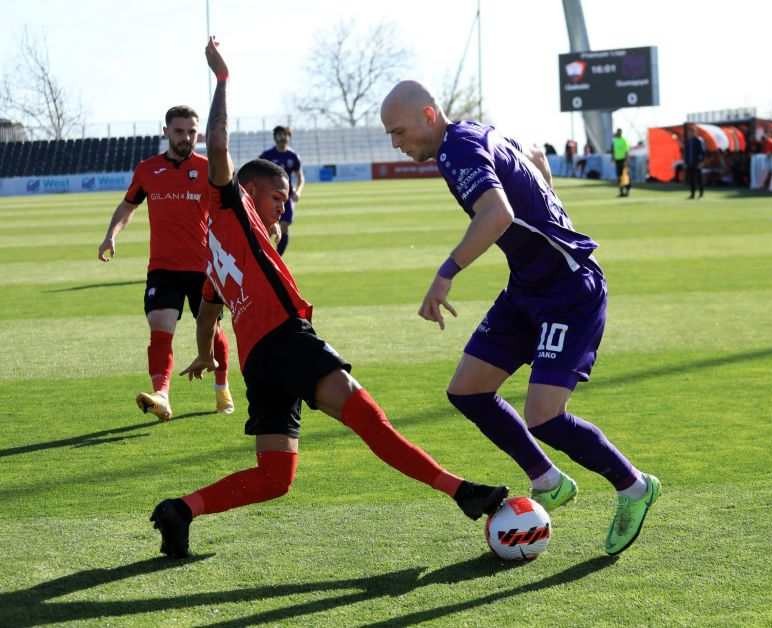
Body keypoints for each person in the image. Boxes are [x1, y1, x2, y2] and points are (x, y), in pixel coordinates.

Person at [149, 40, 508, 559]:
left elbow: (208, 309)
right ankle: (461, 491)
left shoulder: (215, 245)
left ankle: (180, 510)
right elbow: (221, 142)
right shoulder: (231, 203)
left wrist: (206, 351)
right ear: (248, 190)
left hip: (257, 362)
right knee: (370, 419)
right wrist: (222, 80)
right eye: (277, 198)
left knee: (275, 475)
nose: (281, 209)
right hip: (286, 339)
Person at [381, 80, 660, 556]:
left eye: (400, 131)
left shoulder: (457, 151)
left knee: (544, 416)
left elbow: (497, 215)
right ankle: (547, 480)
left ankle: (635, 487)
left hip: (568, 290)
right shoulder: (471, 135)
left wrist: (445, 274)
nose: (397, 143)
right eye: (390, 136)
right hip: (527, 287)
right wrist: (546, 186)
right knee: (467, 390)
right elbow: (529, 157)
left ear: (429, 115)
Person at [97, 105, 233, 421]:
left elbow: (232, 207)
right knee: (160, 328)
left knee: (212, 331)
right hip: (163, 268)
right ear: (166, 132)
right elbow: (127, 206)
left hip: (205, 268)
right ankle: (162, 395)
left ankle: (222, 387)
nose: (186, 137)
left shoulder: (210, 168)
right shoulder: (147, 170)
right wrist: (111, 235)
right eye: (179, 131)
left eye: (191, 132)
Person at [259, 125, 304, 255]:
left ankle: (277, 259)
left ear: (289, 137)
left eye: (285, 135)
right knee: (267, 228)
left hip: (286, 198)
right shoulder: (267, 155)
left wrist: (298, 191)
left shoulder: (293, 156)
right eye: (279, 135)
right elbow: (255, 171)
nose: (282, 137)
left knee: (284, 227)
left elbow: (300, 177)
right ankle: (262, 256)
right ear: (275, 138)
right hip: (269, 198)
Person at [685, 126, 705, 199]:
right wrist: (686, 162)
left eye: (692, 131)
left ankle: (701, 194)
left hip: (697, 163)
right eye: (690, 132)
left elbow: (702, 152)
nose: (690, 133)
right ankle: (692, 194)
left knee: (699, 179)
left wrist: (701, 162)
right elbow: (686, 153)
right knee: (691, 180)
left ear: (695, 132)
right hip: (690, 163)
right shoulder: (688, 141)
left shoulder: (699, 140)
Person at [611, 128, 630, 197]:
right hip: (617, 161)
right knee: (619, 177)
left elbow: (626, 151)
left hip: (623, 160)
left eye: (619, 133)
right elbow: (613, 150)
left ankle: (627, 192)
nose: (618, 134)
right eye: (617, 133)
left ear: (621, 133)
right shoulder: (615, 141)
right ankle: (621, 192)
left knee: (625, 177)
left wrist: (626, 161)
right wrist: (613, 158)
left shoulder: (624, 141)